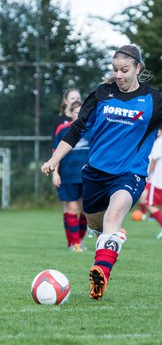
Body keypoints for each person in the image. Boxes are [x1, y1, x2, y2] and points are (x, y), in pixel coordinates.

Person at [41, 44, 162, 300]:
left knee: (113, 217)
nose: (119, 75)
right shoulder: (101, 94)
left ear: (138, 68)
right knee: (97, 225)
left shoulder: (153, 100)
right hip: (95, 174)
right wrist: (54, 160)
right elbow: (76, 129)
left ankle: (101, 273)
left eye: (124, 70)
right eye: (115, 70)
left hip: (129, 175)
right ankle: (114, 238)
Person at [52, 100, 91, 252]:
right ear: (71, 113)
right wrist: (55, 173)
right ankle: (74, 243)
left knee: (87, 211)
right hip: (68, 175)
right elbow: (56, 153)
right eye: (76, 112)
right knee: (72, 207)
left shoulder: (92, 129)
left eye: (82, 112)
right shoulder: (63, 129)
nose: (79, 115)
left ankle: (79, 240)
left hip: (87, 176)